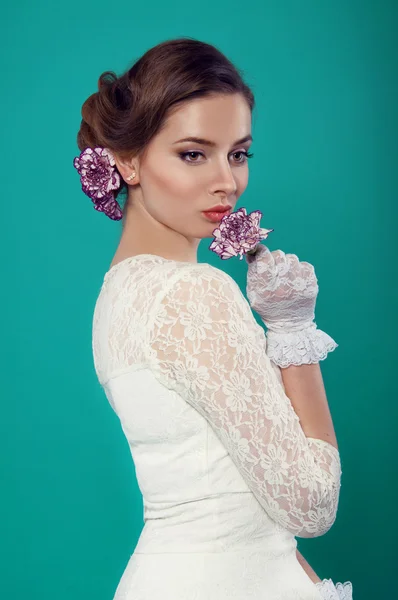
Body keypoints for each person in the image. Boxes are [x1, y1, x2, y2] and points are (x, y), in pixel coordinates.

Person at [76, 37, 353, 599]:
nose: (226, 180)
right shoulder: (193, 292)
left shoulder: (118, 296)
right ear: (128, 161)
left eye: (239, 153)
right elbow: (311, 503)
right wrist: (293, 330)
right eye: (193, 153)